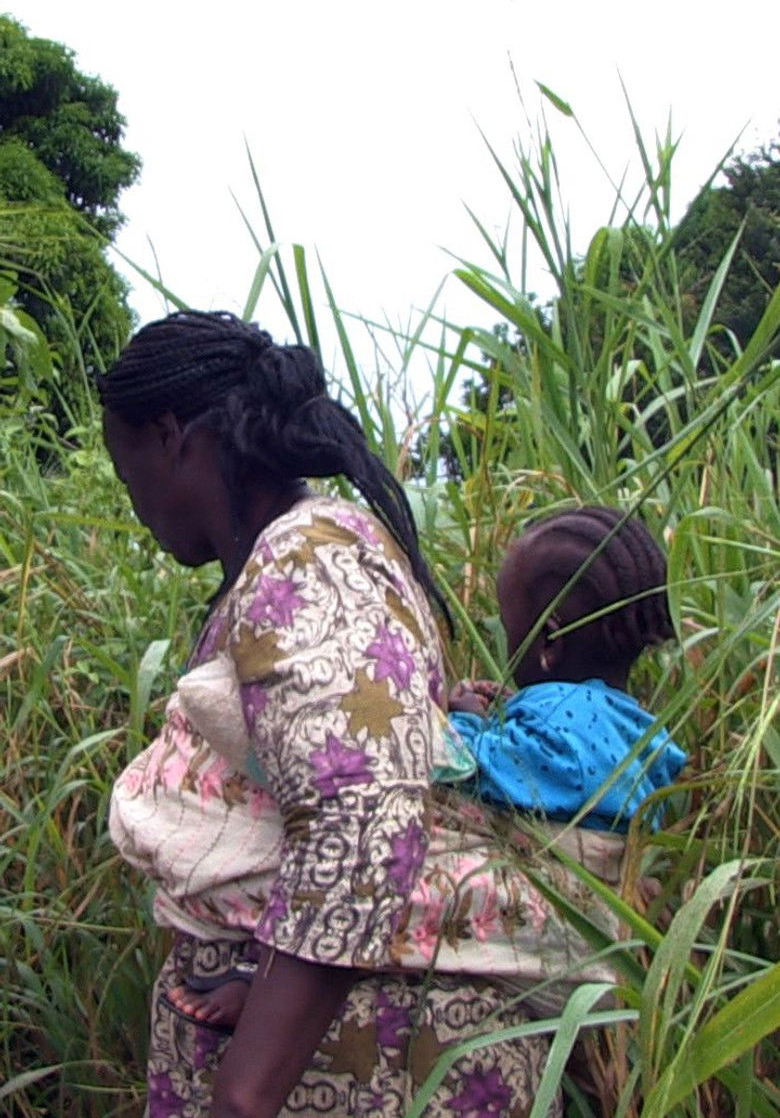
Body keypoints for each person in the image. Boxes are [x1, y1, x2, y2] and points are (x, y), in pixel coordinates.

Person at [100, 311, 623, 1118]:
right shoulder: (302, 559)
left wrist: (245, 1091)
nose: (132, 501)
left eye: (125, 467)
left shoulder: (310, 560)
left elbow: (361, 814)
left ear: (170, 436)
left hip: (367, 1071)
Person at [447, 507, 687, 831]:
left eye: (507, 626)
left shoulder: (557, 723)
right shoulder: (642, 731)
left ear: (548, 641)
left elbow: (464, 768)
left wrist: (467, 720)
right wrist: (518, 712)